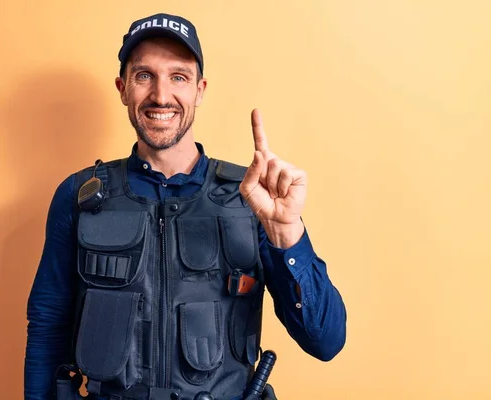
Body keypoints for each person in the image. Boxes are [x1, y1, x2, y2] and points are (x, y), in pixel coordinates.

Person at [25, 12, 347, 400]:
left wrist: (287, 233)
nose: (161, 96)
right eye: (144, 75)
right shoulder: (78, 196)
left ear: (200, 89)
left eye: (178, 77)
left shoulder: (253, 198)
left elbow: (326, 341)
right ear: (123, 87)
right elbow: (47, 325)